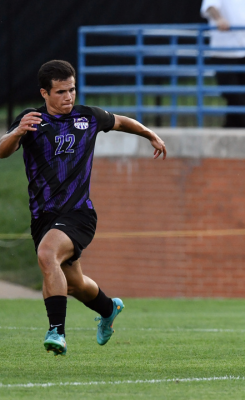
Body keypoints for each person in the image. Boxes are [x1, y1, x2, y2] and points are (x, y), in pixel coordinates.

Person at [0, 60, 167, 356]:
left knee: (46, 254)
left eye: (72, 89)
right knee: (73, 284)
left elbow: (120, 121)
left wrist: (149, 134)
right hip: (43, 216)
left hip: (79, 213)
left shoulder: (88, 117)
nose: (69, 97)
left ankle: (57, 332)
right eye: (61, 91)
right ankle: (108, 308)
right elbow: (4, 150)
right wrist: (16, 133)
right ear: (44, 93)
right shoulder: (31, 119)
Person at [200, 0, 245, 128]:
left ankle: (230, 126)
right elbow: (210, 6)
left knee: (243, 94)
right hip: (222, 51)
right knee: (232, 93)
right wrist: (219, 19)